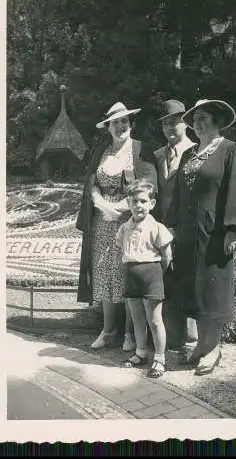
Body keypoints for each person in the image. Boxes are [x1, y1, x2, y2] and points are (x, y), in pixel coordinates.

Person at [165, 99, 236, 376]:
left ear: (217, 120)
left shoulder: (230, 150)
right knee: (191, 289)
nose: (196, 122)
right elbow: (178, 195)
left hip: (214, 234)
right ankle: (201, 346)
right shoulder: (189, 155)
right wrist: (172, 227)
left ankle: (212, 349)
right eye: (194, 118)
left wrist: (233, 230)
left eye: (202, 117)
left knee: (213, 291)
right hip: (188, 235)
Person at [76, 102, 158, 351]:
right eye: (116, 122)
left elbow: (148, 183)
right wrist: (103, 206)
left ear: (131, 124)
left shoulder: (141, 150)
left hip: (130, 219)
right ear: (108, 127)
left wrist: (121, 208)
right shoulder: (101, 151)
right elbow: (91, 183)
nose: (121, 126)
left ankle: (129, 335)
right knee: (105, 274)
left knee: (127, 274)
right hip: (102, 221)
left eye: (125, 121)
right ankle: (108, 331)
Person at [153, 99, 199, 362]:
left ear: (186, 123)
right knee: (167, 283)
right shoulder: (158, 155)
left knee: (188, 282)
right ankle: (172, 340)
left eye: (175, 121)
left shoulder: (196, 151)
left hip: (187, 229)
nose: (171, 127)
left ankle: (192, 342)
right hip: (161, 229)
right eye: (166, 123)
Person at [116, 179, 174, 378]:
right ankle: (141, 353)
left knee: (155, 320)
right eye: (134, 201)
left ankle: (160, 359)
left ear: (152, 204)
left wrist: (158, 276)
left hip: (152, 275)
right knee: (136, 318)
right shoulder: (125, 228)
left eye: (143, 201)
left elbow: (167, 256)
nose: (138, 205)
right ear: (128, 203)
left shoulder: (157, 227)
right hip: (131, 275)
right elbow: (122, 248)